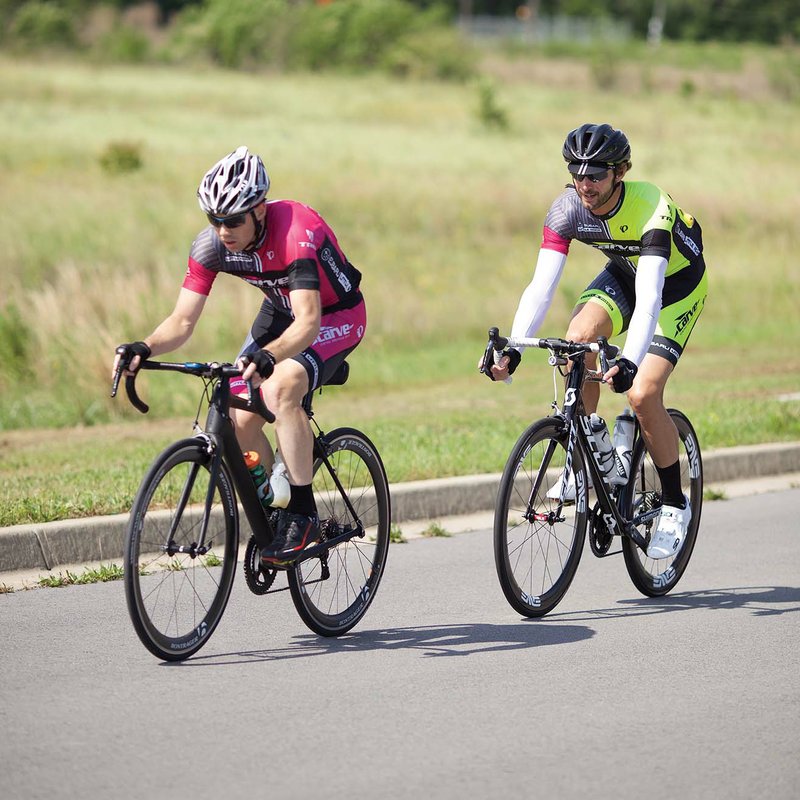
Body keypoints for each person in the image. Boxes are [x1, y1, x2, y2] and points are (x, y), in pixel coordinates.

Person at [113, 146, 366, 564]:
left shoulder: (295, 232)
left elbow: (307, 322)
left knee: (282, 386)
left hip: (334, 314)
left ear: (260, 210)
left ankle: (302, 513)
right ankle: (275, 508)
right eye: (214, 219)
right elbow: (181, 321)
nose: (223, 230)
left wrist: (269, 357)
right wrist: (145, 346)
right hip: (280, 308)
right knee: (237, 414)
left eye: (232, 220)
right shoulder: (211, 246)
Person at [487, 123, 707, 560]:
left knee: (643, 394)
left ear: (620, 172)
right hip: (626, 274)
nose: (584, 185)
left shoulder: (651, 209)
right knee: (577, 340)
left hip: (675, 288)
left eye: (596, 175)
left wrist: (628, 360)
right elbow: (541, 287)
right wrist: (513, 345)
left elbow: (650, 301)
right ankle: (586, 450)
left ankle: (673, 502)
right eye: (576, 173)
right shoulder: (567, 208)